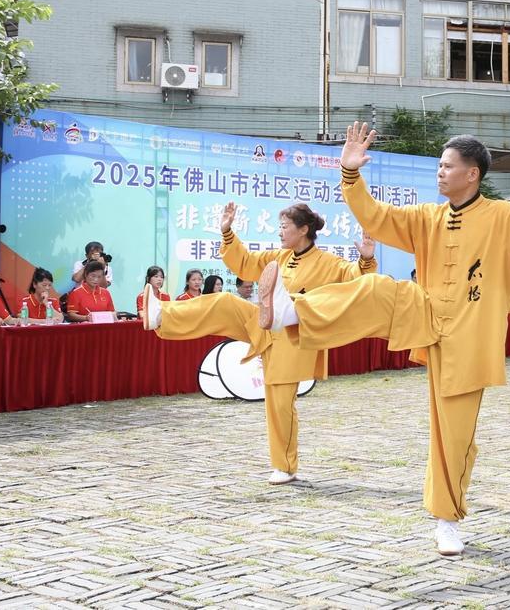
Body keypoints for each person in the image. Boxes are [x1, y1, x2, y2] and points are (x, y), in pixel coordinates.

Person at [243, 124, 510, 556]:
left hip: (469, 337)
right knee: (376, 288)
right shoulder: (426, 217)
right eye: (439, 165)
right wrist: (350, 173)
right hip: (425, 313)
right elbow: (377, 217)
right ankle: (292, 311)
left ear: (472, 173)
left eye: (447, 166)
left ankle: (447, 520)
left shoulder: (505, 217)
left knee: (453, 434)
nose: (440, 172)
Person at [143, 201, 377, 486]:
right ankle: (162, 316)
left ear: (303, 230)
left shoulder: (328, 263)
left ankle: (285, 467)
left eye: (285, 227)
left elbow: (357, 280)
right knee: (224, 302)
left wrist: (366, 259)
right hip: (264, 325)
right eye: (279, 226)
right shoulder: (277, 257)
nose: (280, 232)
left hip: (294, 337)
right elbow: (244, 262)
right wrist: (227, 231)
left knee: (280, 404)